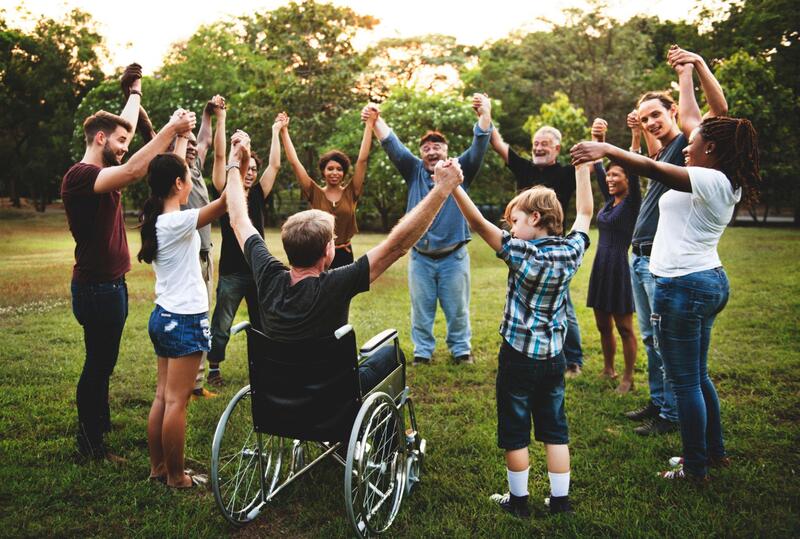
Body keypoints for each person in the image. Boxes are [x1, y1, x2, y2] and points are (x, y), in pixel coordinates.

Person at [571, 113, 760, 481]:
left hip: (683, 286)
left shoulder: (709, 177)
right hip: (704, 280)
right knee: (698, 377)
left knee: (686, 382)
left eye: (695, 141)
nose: (687, 146)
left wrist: (607, 147)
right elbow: (665, 155)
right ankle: (712, 453)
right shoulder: (722, 180)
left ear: (712, 148)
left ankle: (695, 467)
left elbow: (651, 170)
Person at [224, 131, 466, 391]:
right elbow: (397, 245)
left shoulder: (268, 275)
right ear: (329, 251)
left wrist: (235, 162)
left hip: (279, 392)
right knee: (392, 356)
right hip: (334, 394)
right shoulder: (337, 283)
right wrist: (442, 190)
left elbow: (238, 219)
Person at [62, 64, 196, 462]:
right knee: (98, 365)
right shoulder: (81, 176)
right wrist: (171, 130)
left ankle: (97, 428)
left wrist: (134, 93)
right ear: (99, 138)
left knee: (102, 362)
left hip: (110, 286)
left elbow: (128, 135)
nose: (125, 145)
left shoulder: (101, 169)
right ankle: (90, 445)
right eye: (120, 141)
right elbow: (137, 167)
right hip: (97, 288)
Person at [448, 157, 594, 517]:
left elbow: (476, 223)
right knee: (555, 429)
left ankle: (519, 502)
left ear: (535, 219)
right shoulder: (572, 250)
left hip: (518, 356)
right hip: (554, 357)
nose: (510, 228)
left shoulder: (521, 252)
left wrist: (453, 187)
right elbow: (586, 213)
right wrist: (582, 169)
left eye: (514, 221)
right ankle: (561, 502)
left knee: (515, 429)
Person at [622, 45, 729, 436]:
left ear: (673, 114)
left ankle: (671, 416)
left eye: (657, 115)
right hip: (642, 254)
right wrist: (638, 130)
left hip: (668, 265)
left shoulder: (688, 150)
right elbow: (651, 154)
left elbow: (710, 116)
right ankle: (660, 402)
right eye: (645, 116)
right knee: (653, 339)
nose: (651, 121)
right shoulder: (673, 150)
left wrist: (690, 69)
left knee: (670, 348)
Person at [363, 94, 493, 365]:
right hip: (420, 257)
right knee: (421, 310)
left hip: (453, 257)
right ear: (421, 154)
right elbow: (391, 144)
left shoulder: (460, 171)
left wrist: (485, 113)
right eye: (426, 148)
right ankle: (423, 352)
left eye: (437, 147)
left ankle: (461, 351)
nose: (432, 152)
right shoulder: (413, 171)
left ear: (446, 150)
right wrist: (376, 120)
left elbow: (480, 143)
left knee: (457, 310)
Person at [139, 142, 230, 488]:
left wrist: (179, 145)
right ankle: (177, 478)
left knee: (164, 396)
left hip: (163, 316)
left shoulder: (157, 217)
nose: (192, 179)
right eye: (187, 175)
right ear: (178, 183)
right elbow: (223, 204)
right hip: (184, 320)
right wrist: (237, 162)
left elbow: (173, 175)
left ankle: (159, 469)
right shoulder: (177, 221)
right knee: (177, 401)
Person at [488, 121, 598, 377]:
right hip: (528, 248)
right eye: (535, 143)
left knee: (563, 307)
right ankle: (553, 355)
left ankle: (573, 359)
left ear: (557, 148)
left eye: (544, 144)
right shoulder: (524, 167)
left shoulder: (564, 173)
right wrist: (487, 116)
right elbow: (497, 144)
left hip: (554, 249)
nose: (538, 148)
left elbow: (590, 172)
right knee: (535, 302)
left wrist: (594, 143)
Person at [206, 114, 285, 387]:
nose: (250, 172)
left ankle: (263, 367)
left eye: (253, 169)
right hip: (231, 272)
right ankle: (214, 368)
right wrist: (223, 127)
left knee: (262, 323)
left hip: (258, 271)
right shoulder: (227, 193)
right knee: (222, 323)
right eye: (246, 167)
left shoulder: (260, 195)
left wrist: (276, 130)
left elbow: (274, 164)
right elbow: (219, 160)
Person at [585, 118, 641, 394]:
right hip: (600, 267)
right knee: (602, 324)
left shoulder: (632, 202)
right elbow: (597, 167)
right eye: (608, 176)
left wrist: (635, 135)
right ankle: (609, 368)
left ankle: (628, 378)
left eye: (615, 175)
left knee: (624, 327)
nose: (609, 178)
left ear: (628, 180)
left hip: (619, 267)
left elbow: (633, 163)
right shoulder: (609, 201)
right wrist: (599, 137)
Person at [279, 108, 376, 268]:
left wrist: (369, 124)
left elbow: (362, 161)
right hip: (317, 254)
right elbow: (295, 163)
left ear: (344, 173)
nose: (335, 172)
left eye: (339, 169)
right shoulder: (314, 192)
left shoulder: (352, 192)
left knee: (343, 293)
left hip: (344, 254)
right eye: (330, 168)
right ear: (323, 172)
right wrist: (284, 131)